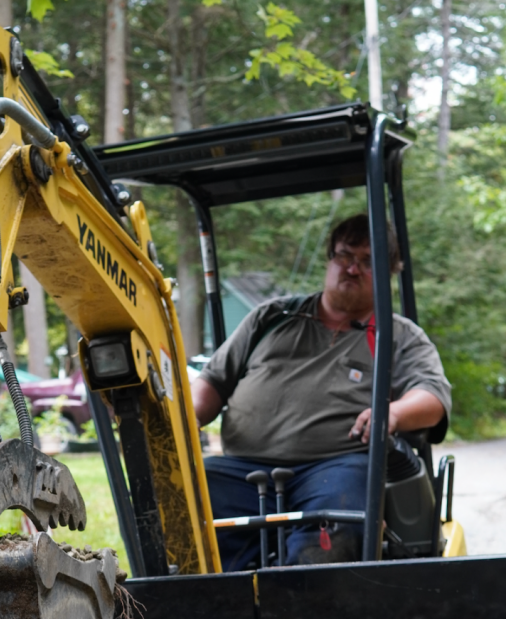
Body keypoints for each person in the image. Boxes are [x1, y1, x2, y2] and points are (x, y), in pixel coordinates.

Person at [192, 213, 451, 569]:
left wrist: (392, 413)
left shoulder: (398, 335)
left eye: (367, 261)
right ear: (330, 260)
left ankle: (305, 612)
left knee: (336, 523)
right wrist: (180, 417)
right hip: (243, 470)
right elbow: (213, 383)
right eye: (345, 256)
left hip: (337, 468)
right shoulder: (272, 318)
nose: (352, 269)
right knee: (184, 500)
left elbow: (432, 396)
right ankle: (216, 606)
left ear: (389, 272)